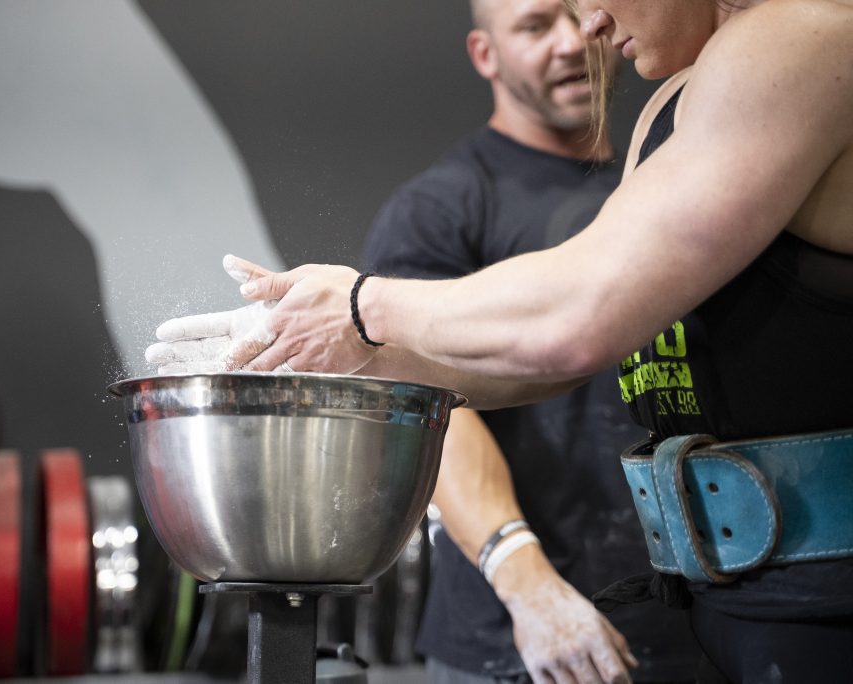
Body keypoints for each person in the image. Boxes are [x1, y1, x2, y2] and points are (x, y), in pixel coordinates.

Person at [147, 0, 853, 680]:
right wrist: (326, 347)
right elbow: (550, 359)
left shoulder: (799, 35)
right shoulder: (673, 106)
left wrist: (364, 306)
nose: (589, 27)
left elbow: (579, 320)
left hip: (824, 606)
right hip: (739, 605)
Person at [358, 0, 698, 681]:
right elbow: (429, 411)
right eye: (536, 27)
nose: (570, 43)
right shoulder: (443, 208)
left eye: (578, 14)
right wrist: (527, 584)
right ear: (486, 55)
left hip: (695, 627)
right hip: (523, 645)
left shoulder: (672, 180)